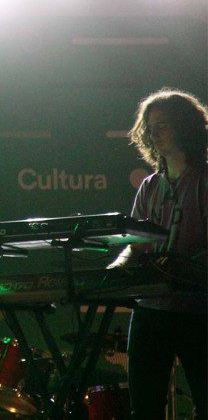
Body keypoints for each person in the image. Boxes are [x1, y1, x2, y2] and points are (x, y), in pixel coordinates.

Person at [109, 88, 207, 419]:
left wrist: (182, 268)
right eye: (150, 128)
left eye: (163, 125)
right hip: (150, 310)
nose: (154, 134)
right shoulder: (149, 186)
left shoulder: (204, 181)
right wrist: (116, 268)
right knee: (144, 406)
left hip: (197, 310)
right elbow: (135, 245)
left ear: (185, 128)